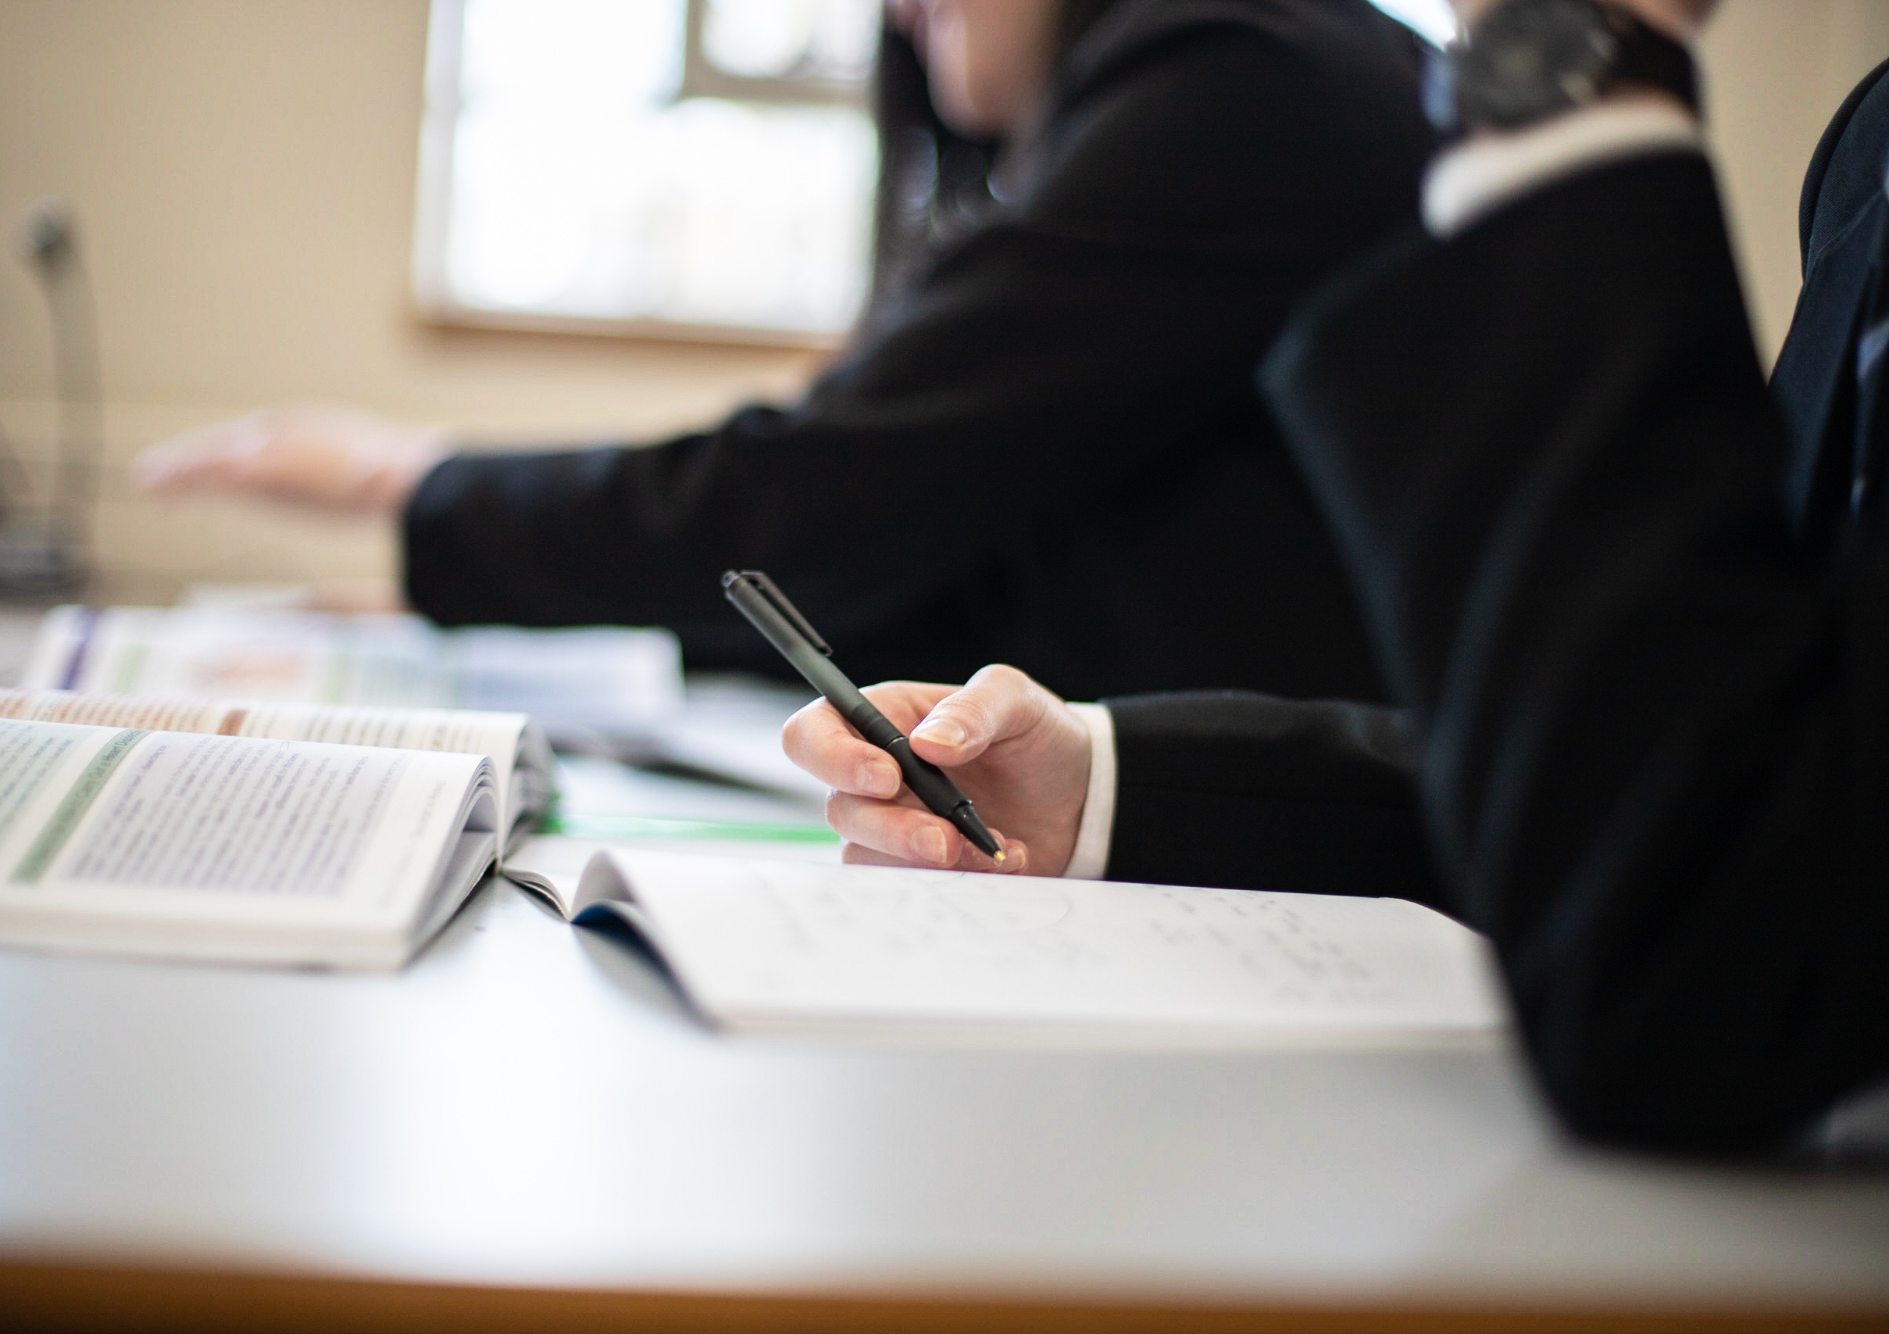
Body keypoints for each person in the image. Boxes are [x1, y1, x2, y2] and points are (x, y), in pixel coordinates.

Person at [783, 0, 1889, 1157]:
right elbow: (1734, 791)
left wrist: (1565, 52)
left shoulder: (1237, 73)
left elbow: (1693, 976)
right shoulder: (1868, 140)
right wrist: (1097, 783)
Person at [134, 0, 1437, 702]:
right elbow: (920, 558)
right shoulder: (1200, 80)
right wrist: (473, 626)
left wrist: (406, 480)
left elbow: (817, 497)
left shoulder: (1241, 74)